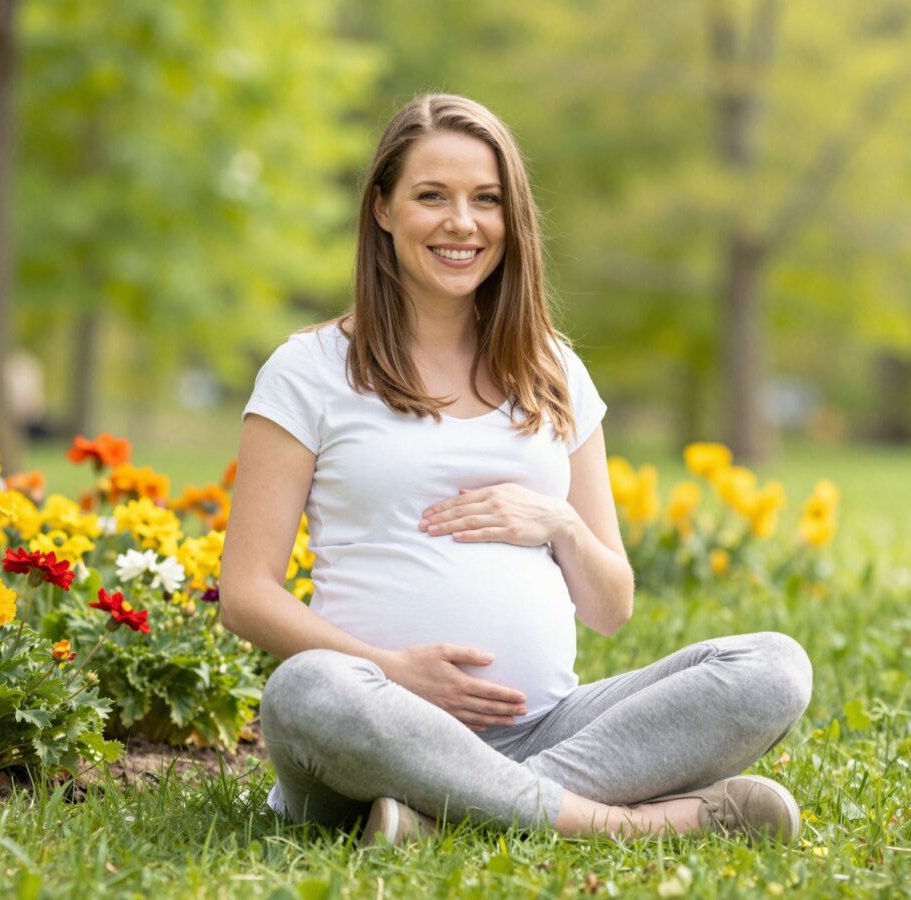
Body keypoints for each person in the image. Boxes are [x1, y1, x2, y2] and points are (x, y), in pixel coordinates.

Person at [220, 94, 812, 846]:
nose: (462, 223)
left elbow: (610, 606)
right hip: (372, 727)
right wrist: (392, 671)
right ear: (382, 209)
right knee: (305, 689)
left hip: (547, 729)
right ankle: (612, 825)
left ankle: (439, 819)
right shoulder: (309, 370)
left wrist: (559, 522)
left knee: (772, 667)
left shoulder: (554, 370)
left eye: (486, 199)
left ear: (513, 217)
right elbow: (245, 595)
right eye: (431, 196)